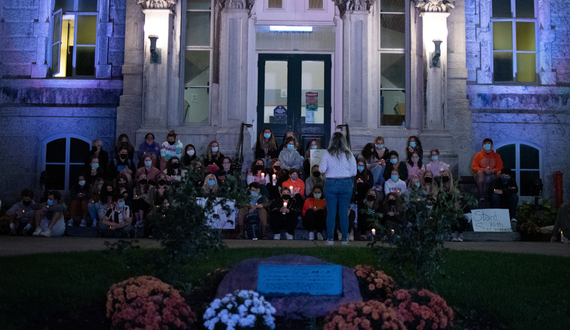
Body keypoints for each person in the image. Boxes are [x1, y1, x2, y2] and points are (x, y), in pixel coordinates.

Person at [319, 131, 356, 246]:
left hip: (331, 183)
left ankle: (330, 239)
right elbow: (354, 171)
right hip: (345, 182)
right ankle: (345, 239)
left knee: (331, 213)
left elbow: (321, 169)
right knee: (344, 212)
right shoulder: (349, 154)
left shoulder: (327, 153)